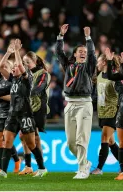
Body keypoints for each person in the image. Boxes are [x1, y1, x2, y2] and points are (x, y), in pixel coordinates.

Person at [0, 39, 47, 178]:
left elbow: (20, 65)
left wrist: (17, 51)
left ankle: (42, 168)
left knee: (31, 143)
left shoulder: (26, 78)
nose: (13, 68)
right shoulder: (13, 79)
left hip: (25, 114)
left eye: (15, 66)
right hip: (12, 113)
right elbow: (0, 67)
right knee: (7, 141)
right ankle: (4, 171)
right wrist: (8, 52)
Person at [55, 24, 96, 179]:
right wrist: (60, 35)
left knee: (81, 139)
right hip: (70, 104)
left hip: (84, 104)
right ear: (75, 54)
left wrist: (88, 38)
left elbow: (92, 55)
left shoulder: (89, 67)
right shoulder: (69, 65)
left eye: (85, 52)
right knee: (71, 143)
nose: (84, 53)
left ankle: (82, 170)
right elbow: (59, 53)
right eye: (81, 51)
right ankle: (85, 162)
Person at [18, 51, 51, 175]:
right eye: (24, 62)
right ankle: (31, 166)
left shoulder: (43, 73)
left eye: (28, 62)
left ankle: (38, 167)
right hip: (29, 108)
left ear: (35, 61)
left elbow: (40, 87)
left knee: (32, 137)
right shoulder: (27, 74)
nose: (26, 64)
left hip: (38, 108)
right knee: (26, 136)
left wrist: (27, 92)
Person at [91, 51, 119, 175]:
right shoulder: (99, 76)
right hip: (102, 112)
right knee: (111, 142)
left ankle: (99, 168)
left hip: (112, 111)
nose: (97, 63)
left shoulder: (114, 76)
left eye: (98, 61)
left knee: (104, 138)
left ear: (103, 62)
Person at [105, 48, 123, 180]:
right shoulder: (119, 77)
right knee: (122, 143)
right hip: (121, 110)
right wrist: (110, 61)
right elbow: (111, 76)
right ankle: (122, 171)